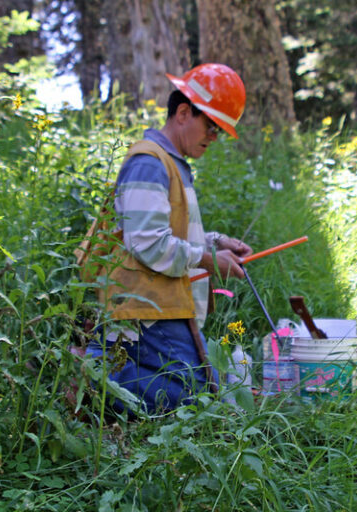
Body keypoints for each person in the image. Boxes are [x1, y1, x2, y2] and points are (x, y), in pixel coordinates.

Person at [84, 63, 253, 414]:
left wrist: (216, 242)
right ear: (183, 112)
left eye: (220, 131)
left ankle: (105, 368)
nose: (213, 137)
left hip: (162, 302)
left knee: (210, 389)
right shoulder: (150, 163)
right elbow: (147, 242)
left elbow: (168, 232)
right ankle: (93, 374)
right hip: (146, 308)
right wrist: (209, 260)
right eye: (210, 126)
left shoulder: (172, 164)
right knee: (201, 399)